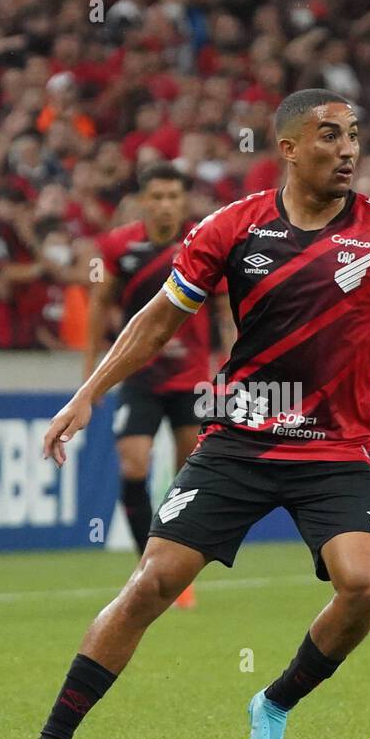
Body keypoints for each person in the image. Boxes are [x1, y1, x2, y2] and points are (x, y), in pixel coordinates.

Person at [3, 89, 370, 739]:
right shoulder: (233, 228)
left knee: (365, 584)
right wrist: (87, 393)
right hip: (241, 440)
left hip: (332, 449)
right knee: (151, 582)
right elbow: (155, 321)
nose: (347, 149)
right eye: (328, 136)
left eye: (353, 137)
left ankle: (274, 701)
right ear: (286, 149)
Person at [86, 162, 220, 608]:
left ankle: (176, 566)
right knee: (133, 466)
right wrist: (92, 373)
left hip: (192, 378)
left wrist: (234, 367)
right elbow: (98, 303)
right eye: (157, 197)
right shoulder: (118, 246)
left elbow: (226, 310)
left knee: (186, 476)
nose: (165, 205)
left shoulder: (202, 243)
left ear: (183, 201)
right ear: (143, 201)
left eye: (173, 197)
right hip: (139, 375)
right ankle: (148, 563)